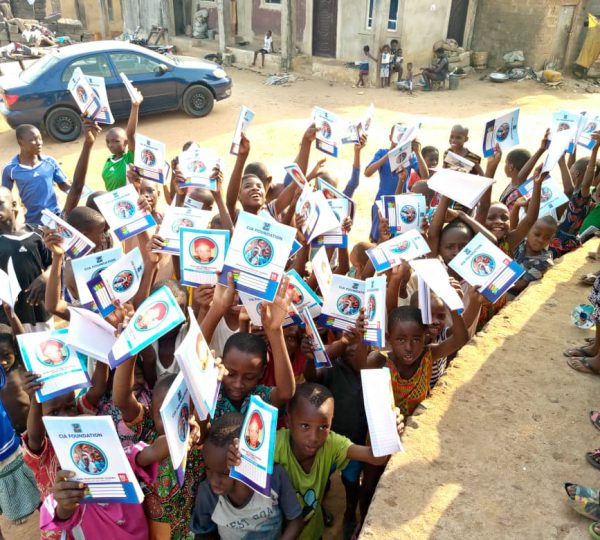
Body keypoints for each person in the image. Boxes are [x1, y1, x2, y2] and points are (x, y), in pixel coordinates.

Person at [228, 382, 405, 540]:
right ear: (288, 421)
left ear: (331, 424)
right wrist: (236, 458)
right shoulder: (272, 445)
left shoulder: (332, 443)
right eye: (305, 426)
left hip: (313, 532)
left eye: (323, 426)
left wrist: (389, 432)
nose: (314, 437)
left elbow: (376, 458)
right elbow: (241, 473)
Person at [191, 413, 304, 539]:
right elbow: (202, 533)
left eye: (224, 473)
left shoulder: (273, 478)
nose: (213, 481)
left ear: (245, 461)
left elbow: (296, 521)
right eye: (208, 469)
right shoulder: (207, 493)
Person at [2, 124, 71, 227]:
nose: (39, 143)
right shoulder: (10, 169)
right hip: (32, 221)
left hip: (56, 217)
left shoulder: (50, 162)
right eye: (33, 140)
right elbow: (5, 195)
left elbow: (64, 185)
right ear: (20, 143)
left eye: (40, 139)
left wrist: (77, 190)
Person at [102, 85, 143, 192]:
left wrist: (135, 106)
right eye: (108, 142)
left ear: (126, 143)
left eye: (116, 141)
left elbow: (130, 133)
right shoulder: (108, 161)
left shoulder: (129, 158)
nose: (111, 145)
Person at [511, 215, 557, 294]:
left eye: (547, 238)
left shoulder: (544, 262)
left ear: (552, 239)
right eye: (537, 234)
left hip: (511, 293)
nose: (541, 240)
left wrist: (496, 284)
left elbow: (520, 285)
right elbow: (512, 228)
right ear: (527, 231)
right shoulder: (520, 243)